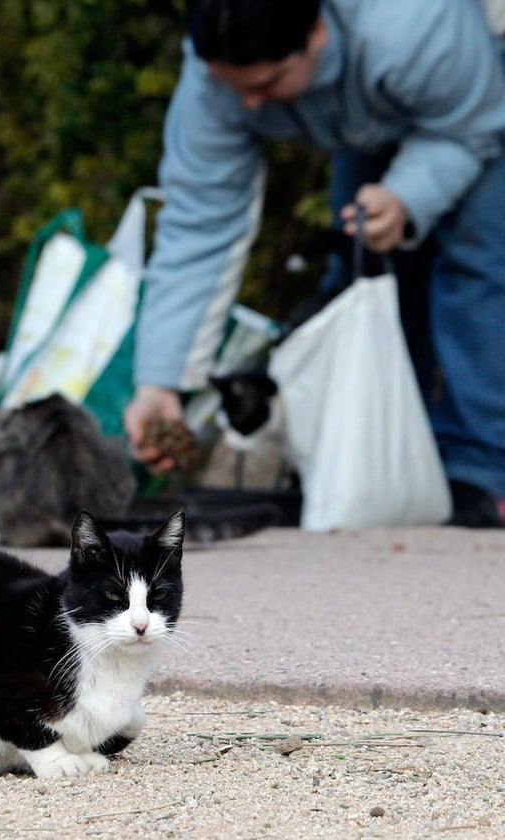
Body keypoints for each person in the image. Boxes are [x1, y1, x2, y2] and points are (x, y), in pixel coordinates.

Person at [123, 0, 505, 527]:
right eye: (237, 87)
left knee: (479, 262)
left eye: (268, 82)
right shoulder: (216, 74)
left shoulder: (410, 25)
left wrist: (408, 195)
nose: (252, 104)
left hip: (474, 92)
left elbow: (468, 128)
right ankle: (374, 462)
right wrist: (159, 384)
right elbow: (198, 222)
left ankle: (484, 470)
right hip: (364, 103)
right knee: (360, 271)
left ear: (317, 33)